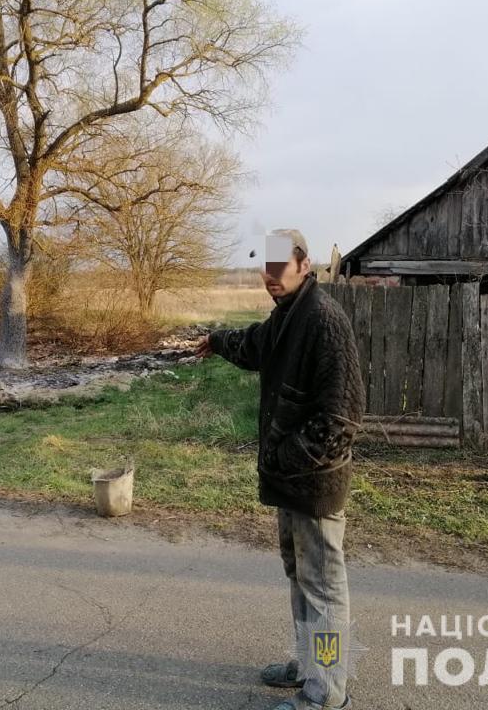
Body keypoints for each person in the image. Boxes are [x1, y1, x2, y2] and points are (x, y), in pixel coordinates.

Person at [194, 229, 364, 710]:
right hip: (290, 480)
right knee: (299, 576)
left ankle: (326, 690)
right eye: (264, 267)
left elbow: (342, 419)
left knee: (323, 587)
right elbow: (255, 345)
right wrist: (217, 340)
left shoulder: (324, 322)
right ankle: (309, 662)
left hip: (312, 483)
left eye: (278, 266)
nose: (269, 276)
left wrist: (287, 458)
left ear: (304, 265)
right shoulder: (288, 314)